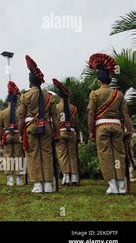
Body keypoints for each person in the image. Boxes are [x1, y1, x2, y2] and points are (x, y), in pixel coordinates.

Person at [87, 53, 133, 194]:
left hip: (101, 126)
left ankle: (112, 186)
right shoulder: (118, 94)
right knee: (119, 154)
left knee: (105, 154)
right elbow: (125, 114)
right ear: (110, 79)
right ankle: (121, 185)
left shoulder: (94, 94)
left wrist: (91, 131)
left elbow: (90, 114)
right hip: (117, 126)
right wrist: (129, 130)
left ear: (99, 80)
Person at [18, 55, 60, 194]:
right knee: (47, 154)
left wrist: (19, 133)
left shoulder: (25, 96)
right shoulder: (49, 96)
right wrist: (57, 132)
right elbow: (55, 117)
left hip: (31, 127)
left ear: (30, 82)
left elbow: (21, 116)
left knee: (33, 154)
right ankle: (48, 184)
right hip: (46, 126)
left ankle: (37, 184)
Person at [52, 78, 81, 186]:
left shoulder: (56, 107)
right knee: (72, 155)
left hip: (60, 133)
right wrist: (78, 135)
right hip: (72, 133)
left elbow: (53, 122)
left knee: (62, 155)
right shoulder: (74, 108)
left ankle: (66, 177)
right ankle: (74, 177)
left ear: (59, 96)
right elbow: (77, 123)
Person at [0, 81, 24, 186]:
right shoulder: (19, 111)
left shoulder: (3, 112)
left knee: (8, 156)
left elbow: (0, 128)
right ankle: (18, 179)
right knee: (18, 156)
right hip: (18, 134)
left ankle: (10, 179)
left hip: (7, 135)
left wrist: (0, 138)